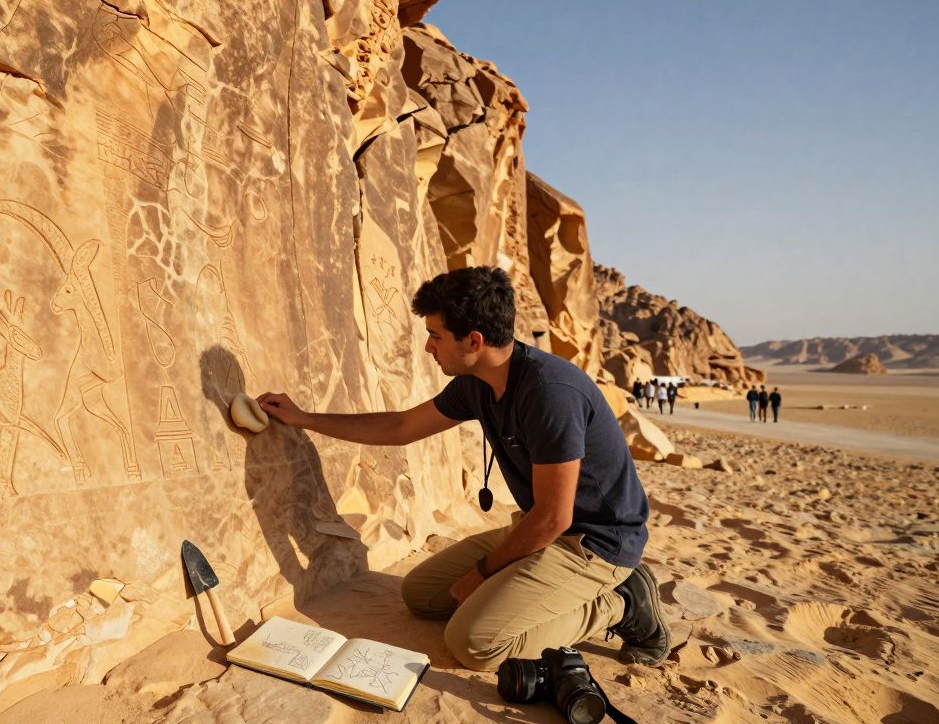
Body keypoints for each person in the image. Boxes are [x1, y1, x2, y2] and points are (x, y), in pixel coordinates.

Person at [257, 266, 669, 672]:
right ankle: (536, 589)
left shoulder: (549, 394)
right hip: (542, 530)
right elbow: (401, 427)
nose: (428, 348)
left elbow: (553, 517)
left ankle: (621, 603)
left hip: (594, 543)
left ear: (474, 340)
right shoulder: (478, 382)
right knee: (423, 596)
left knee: (474, 644)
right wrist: (305, 418)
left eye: (435, 336)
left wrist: (481, 574)